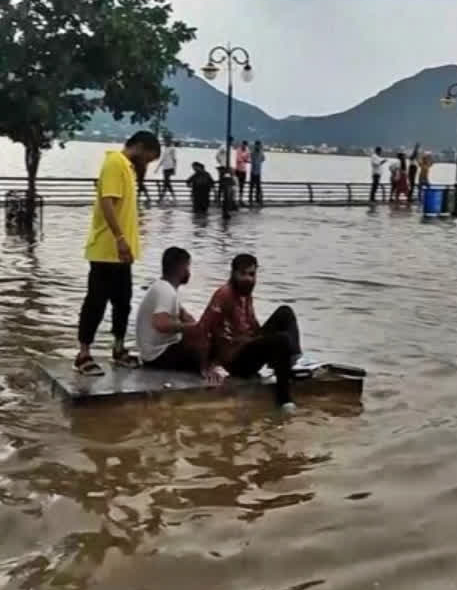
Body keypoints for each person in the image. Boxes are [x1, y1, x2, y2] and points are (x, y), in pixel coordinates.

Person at [74, 130, 163, 375]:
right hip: (106, 250)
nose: (146, 163)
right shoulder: (115, 162)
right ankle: (83, 355)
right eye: (148, 158)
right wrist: (120, 238)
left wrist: (130, 244)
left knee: (122, 302)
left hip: (122, 254)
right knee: (96, 302)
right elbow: (107, 203)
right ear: (140, 148)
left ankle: (119, 348)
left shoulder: (127, 168)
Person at [198, 254, 303, 411]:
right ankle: (283, 399)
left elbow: (254, 327)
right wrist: (207, 365)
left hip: (249, 345)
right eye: (243, 274)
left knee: (285, 312)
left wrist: (269, 344)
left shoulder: (246, 294)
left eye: (252, 274)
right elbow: (204, 328)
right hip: (237, 360)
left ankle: (293, 360)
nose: (248, 279)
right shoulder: (224, 294)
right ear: (233, 274)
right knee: (281, 340)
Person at [136, 247, 216, 380]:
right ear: (181, 269)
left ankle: (206, 367)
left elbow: (185, 316)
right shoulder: (165, 291)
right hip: (157, 356)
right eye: (188, 267)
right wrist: (193, 329)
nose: (189, 272)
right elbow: (160, 323)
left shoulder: (164, 287)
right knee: (205, 348)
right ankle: (206, 372)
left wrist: (201, 328)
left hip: (154, 354)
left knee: (207, 338)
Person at [158, 138, 177, 203]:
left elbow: (174, 159)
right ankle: (172, 197)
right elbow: (163, 159)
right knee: (167, 183)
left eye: (166, 142)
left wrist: (174, 169)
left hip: (169, 168)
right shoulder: (166, 149)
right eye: (165, 142)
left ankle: (161, 198)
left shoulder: (172, 149)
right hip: (165, 168)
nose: (165, 143)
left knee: (166, 183)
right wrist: (158, 167)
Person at [249, 141, 266, 206]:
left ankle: (258, 199)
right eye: (257, 145)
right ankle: (250, 199)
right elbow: (250, 158)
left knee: (258, 187)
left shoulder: (261, 153)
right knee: (252, 186)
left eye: (259, 145)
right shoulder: (252, 152)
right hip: (253, 172)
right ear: (255, 145)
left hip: (258, 172)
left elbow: (263, 159)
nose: (258, 146)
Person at [235, 141, 251, 206]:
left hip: (244, 170)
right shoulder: (238, 150)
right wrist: (244, 160)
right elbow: (237, 159)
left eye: (245, 145)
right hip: (237, 170)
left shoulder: (247, 150)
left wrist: (245, 160)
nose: (244, 146)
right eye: (243, 145)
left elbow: (249, 160)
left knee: (242, 185)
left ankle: (240, 199)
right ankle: (235, 200)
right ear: (242, 144)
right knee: (236, 185)